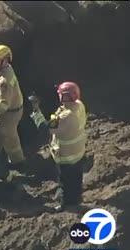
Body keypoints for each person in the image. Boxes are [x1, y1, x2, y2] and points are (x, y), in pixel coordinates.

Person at [29, 82, 87, 211]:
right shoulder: (79, 105)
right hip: (78, 151)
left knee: (65, 182)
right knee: (77, 177)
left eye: (61, 95)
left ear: (66, 97)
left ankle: (66, 204)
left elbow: (44, 128)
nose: (59, 96)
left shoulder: (66, 117)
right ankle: (76, 199)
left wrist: (36, 111)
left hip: (66, 155)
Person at [0, 45, 26, 173]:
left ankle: (18, 162)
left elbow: (4, 104)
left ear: (5, 60)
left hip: (9, 114)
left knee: (10, 138)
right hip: (2, 112)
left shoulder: (5, 81)